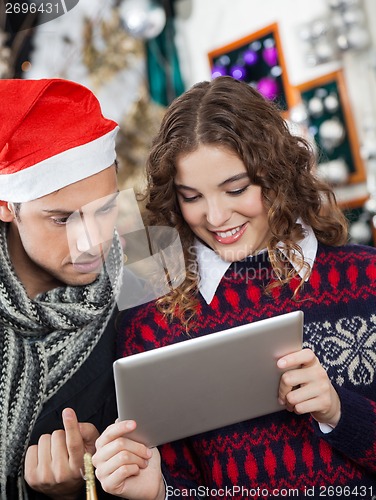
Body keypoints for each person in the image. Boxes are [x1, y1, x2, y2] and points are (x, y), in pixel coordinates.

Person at [92, 76, 376, 500]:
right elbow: (185, 486)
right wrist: (162, 493)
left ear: (277, 174)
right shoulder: (151, 325)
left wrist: (339, 413)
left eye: (236, 189)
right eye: (192, 196)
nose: (216, 216)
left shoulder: (365, 279)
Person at [0, 78, 125, 499]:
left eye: (105, 210)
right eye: (62, 218)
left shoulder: (144, 292)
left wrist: (82, 488)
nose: (92, 241)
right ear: (5, 206)